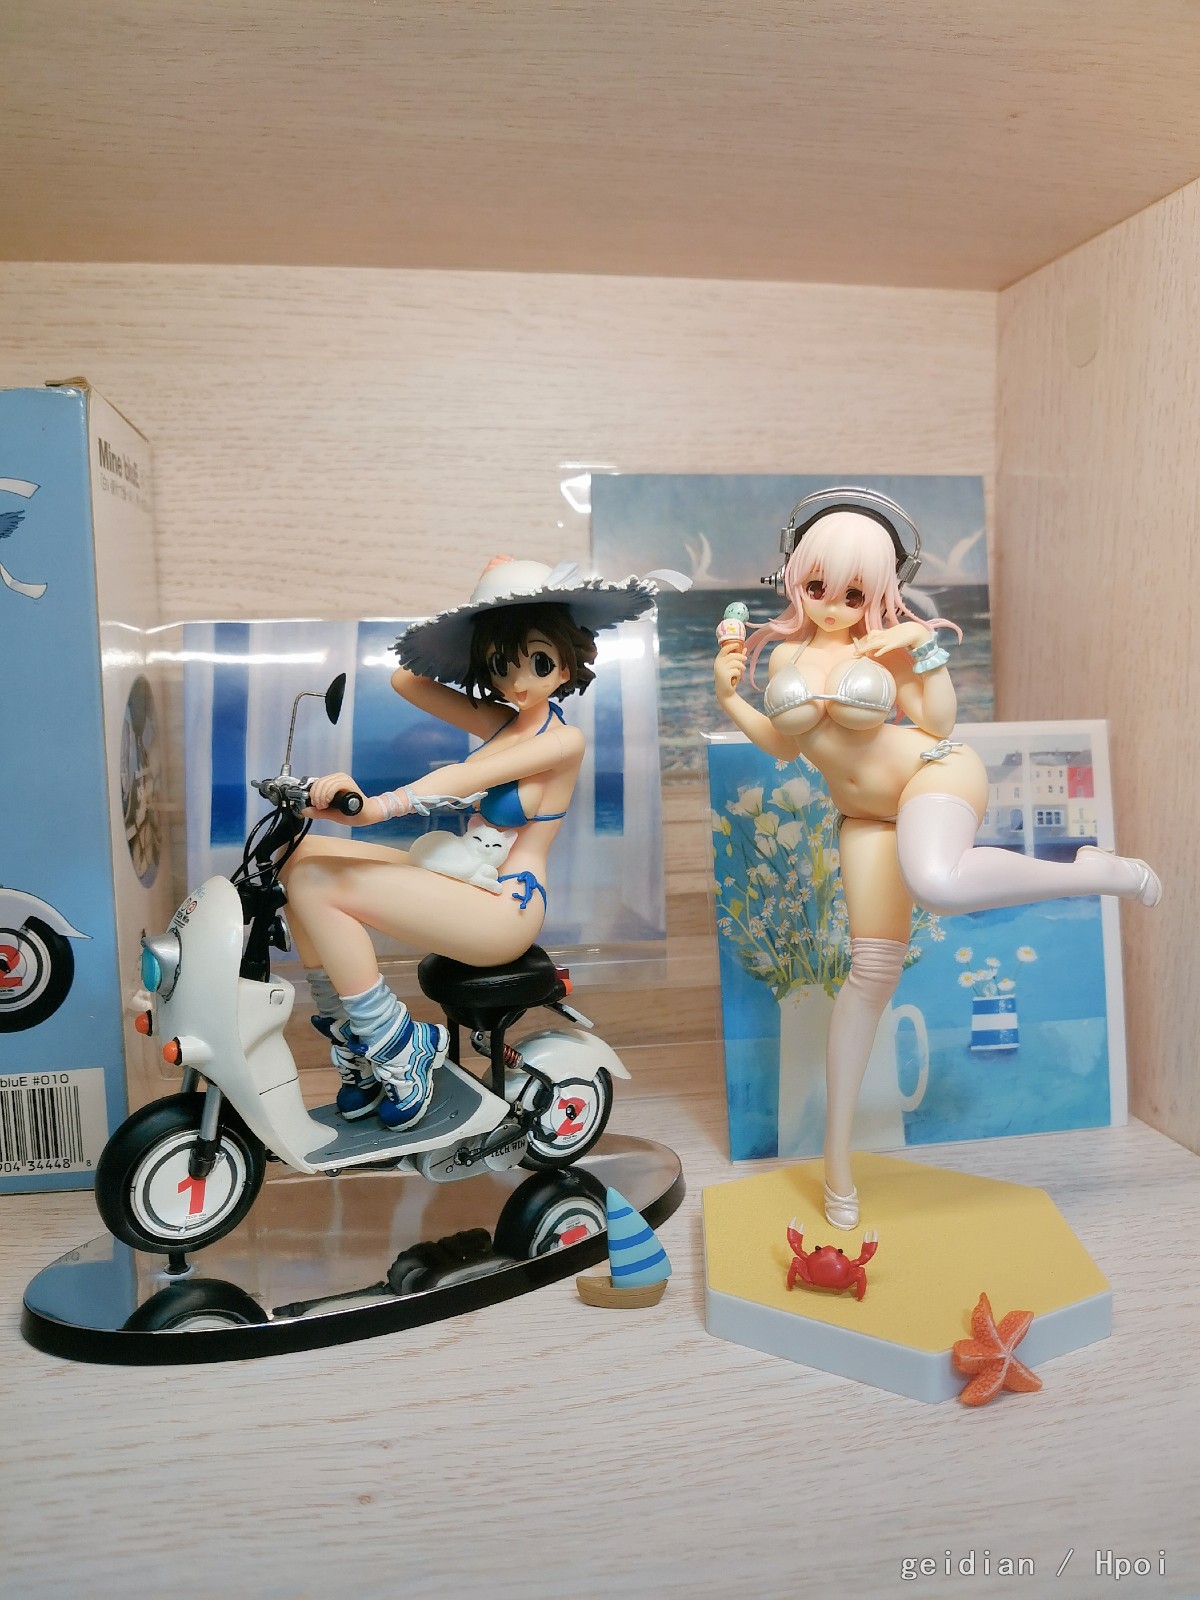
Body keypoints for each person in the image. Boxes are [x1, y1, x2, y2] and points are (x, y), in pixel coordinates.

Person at [714, 488, 1161, 1230]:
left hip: (933, 775)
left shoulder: (887, 644)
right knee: (868, 979)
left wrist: (919, 650)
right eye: (820, 585)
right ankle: (836, 1165)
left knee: (937, 882)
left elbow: (938, 722)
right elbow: (786, 746)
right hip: (864, 819)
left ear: (880, 590)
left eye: (855, 592)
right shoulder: (787, 656)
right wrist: (731, 698)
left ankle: (1093, 870)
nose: (835, 605)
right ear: (796, 575)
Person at [285, 557, 665, 1131]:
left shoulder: (564, 740)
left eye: (538, 661)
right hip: (462, 875)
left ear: (568, 661)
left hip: (505, 906)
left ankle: (396, 1044)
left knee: (317, 883)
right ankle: (356, 1046)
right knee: (301, 858)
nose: (518, 682)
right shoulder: (502, 720)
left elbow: (465, 778)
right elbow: (405, 679)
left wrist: (378, 808)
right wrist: (473, 625)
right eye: (500, 666)